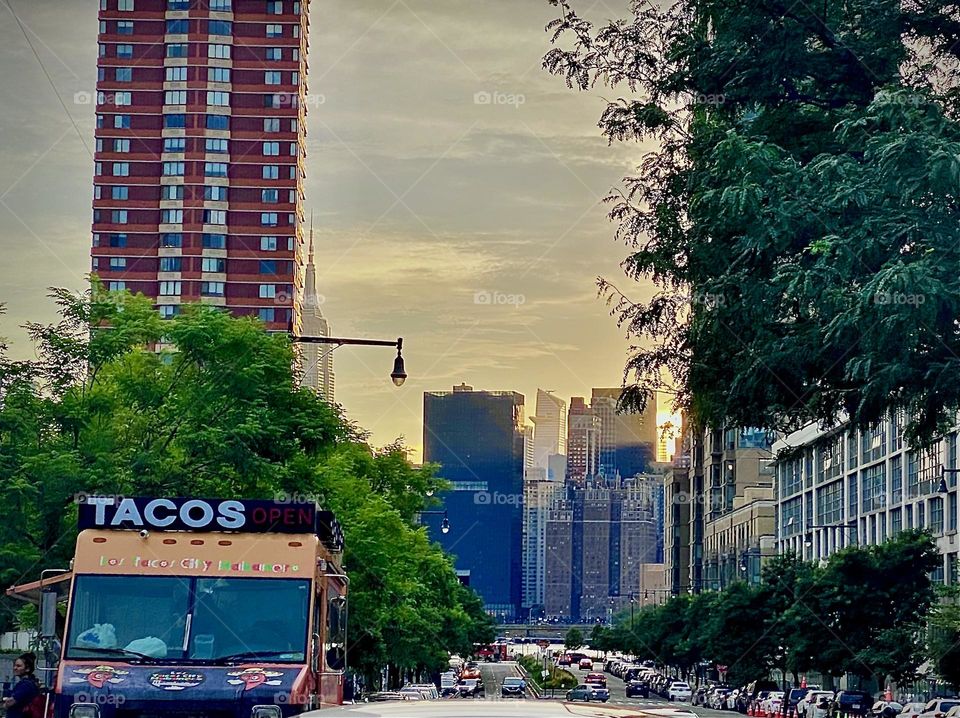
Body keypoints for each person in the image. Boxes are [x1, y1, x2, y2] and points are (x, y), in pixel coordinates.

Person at [4, 652, 40, 718]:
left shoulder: (25, 685)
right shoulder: (29, 683)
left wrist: (5, 704)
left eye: (18, 666)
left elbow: (10, 702)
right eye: (14, 665)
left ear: (27, 669)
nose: (15, 668)